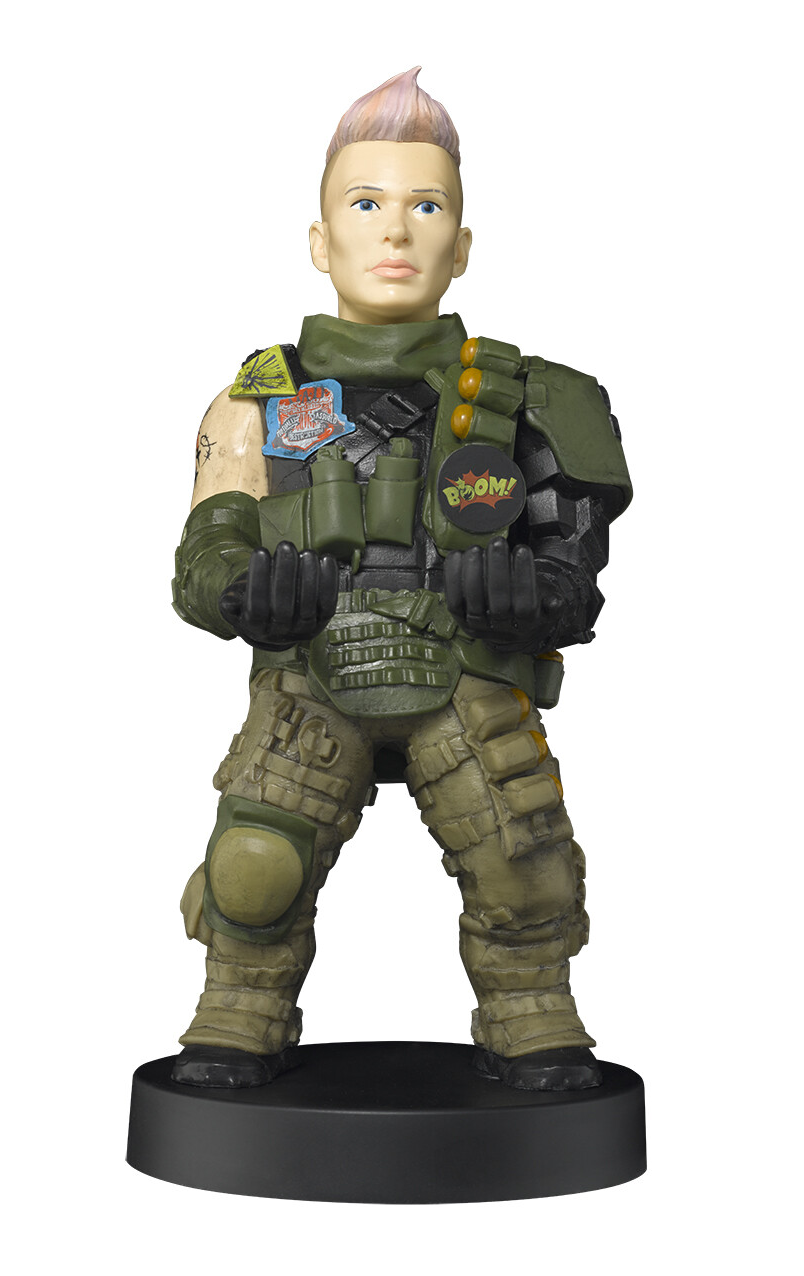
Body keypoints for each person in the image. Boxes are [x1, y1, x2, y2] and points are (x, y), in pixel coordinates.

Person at [170, 68, 631, 1091]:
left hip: (468, 676)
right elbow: (206, 550)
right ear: (319, 238)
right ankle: (238, 1012)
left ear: (460, 244)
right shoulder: (256, 402)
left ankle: (532, 1017)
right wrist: (245, 592)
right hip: (311, 679)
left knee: (525, 873)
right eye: (365, 203)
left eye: (425, 206)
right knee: (254, 871)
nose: (395, 231)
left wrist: (536, 594)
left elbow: (575, 565)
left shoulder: (533, 399)